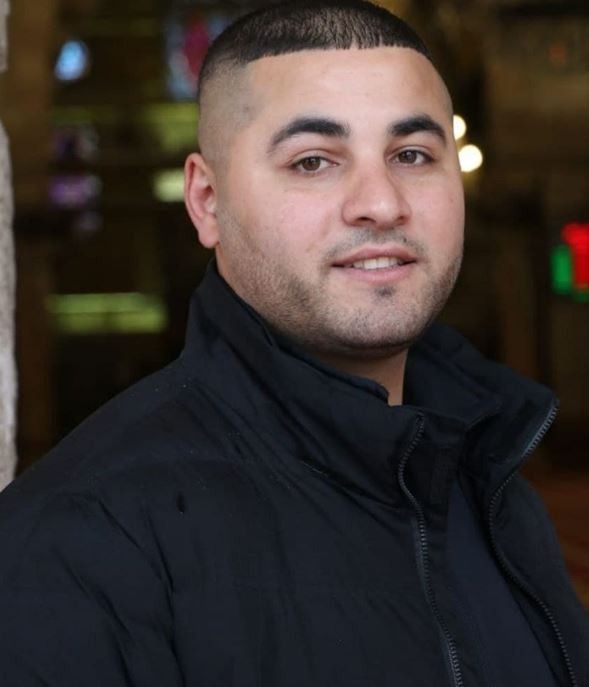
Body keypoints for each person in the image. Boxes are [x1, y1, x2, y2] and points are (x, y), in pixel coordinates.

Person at [0, 1, 587, 685]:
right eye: (312, 161)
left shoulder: (493, 493)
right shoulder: (74, 543)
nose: (381, 203)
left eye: (411, 155)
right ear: (206, 201)